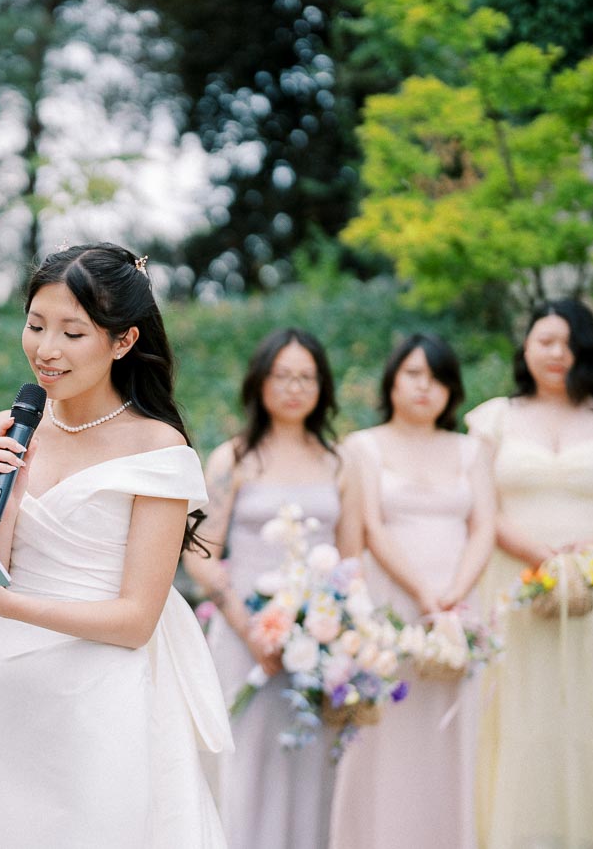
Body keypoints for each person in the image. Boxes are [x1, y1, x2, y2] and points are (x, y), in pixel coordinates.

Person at [0, 243, 231, 848]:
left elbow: (136, 620)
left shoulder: (156, 448)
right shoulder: (5, 429)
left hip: (102, 697)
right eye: (36, 325)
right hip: (9, 693)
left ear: (122, 341)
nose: (46, 349)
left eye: (72, 332)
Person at [182, 327, 359, 849]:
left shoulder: (339, 463)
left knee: (313, 774)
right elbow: (200, 554)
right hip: (245, 643)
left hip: (321, 647)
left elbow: (351, 562)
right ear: (260, 382)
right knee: (246, 773)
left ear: (322, 387)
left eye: (306, 376)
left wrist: (340, 634)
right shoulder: (234, 459)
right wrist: (252, 628)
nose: (294, 387)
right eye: (282, 375)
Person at [328, 333, 495, 849]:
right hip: (391, 607)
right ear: (392, 379)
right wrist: (424, 594)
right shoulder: (363, 447)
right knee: (387, 734)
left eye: (438, 377)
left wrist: (453, 596)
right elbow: (371, 528)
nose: (426, 387)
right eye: (414, 374)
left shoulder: (472, 449)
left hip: (459, 607)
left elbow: (485, 527)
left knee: (451, 734)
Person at [464, 299, 593, 849]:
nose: (557, 352)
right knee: (521, 717)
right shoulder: (493, 417)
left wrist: (587, 548)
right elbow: (482, 510)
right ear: (526, 345)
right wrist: (539, 554)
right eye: (546, 339)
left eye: (570, 342)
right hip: (513, 587)